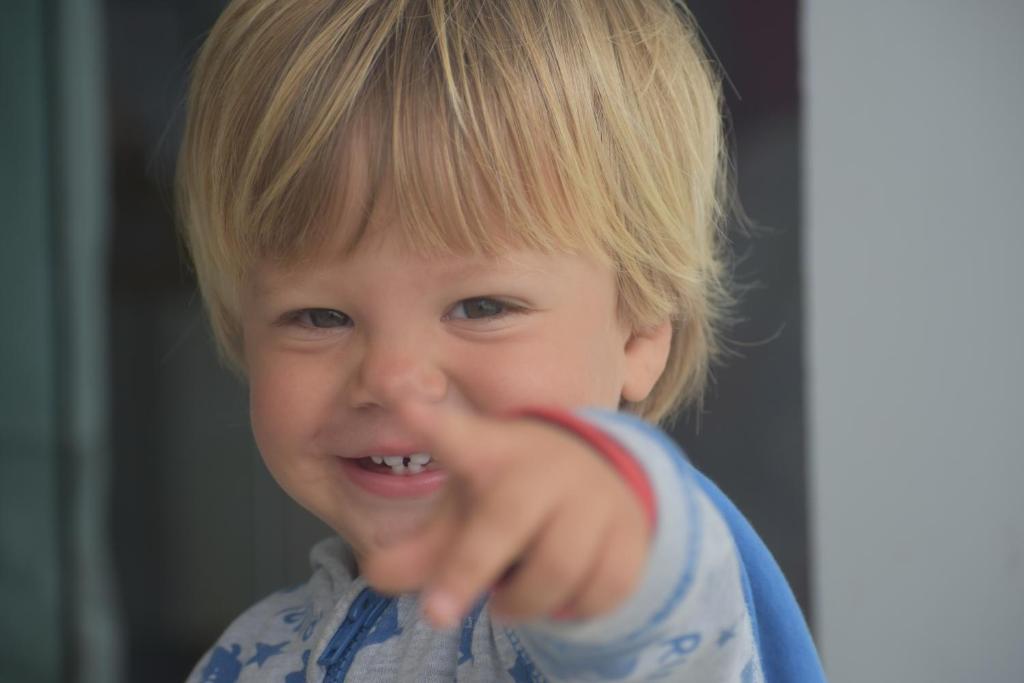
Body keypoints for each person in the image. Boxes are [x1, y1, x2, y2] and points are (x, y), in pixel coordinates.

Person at [177, 0, 825, 681]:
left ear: (640, 329)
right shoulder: (250, 654)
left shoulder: (593, 602)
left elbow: (649, 585)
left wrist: (605, 511)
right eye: (319, 316)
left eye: (480, 306)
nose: (392, 374)